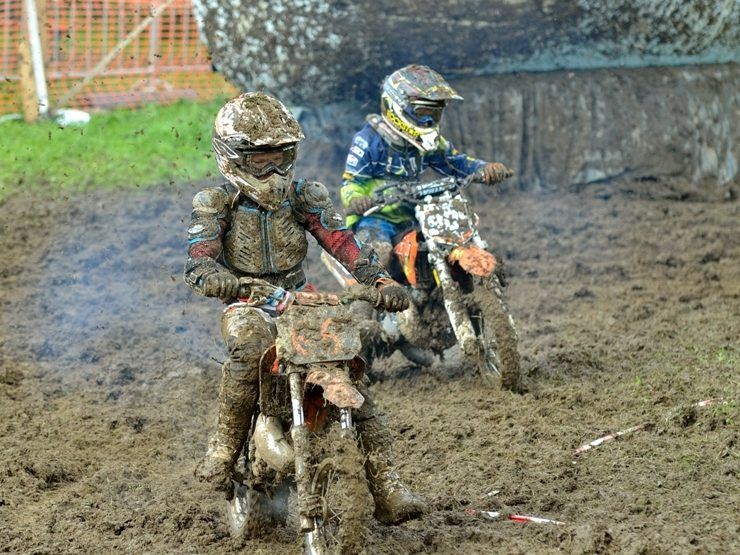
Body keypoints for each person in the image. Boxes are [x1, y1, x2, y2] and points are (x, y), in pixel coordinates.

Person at [183, 92, 425, 525]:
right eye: (260, 160)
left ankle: (387, 482)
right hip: (247, 300)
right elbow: (198, 258)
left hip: (300, 296)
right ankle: (221, 450)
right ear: (233, 158)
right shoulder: (216, 204)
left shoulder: (304, 197)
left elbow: (340, 241)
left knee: (348, 366)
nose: (273, 169)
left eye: (281, 157)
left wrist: (379, 279)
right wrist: (213, 275)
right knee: (248, 350)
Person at [339, 64, 514, 364]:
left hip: (415, 211)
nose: (430, 120)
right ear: (398, 107)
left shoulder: (427, 141)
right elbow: (351, 182)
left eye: (435, 113)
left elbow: (455, 162)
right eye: (423, 112)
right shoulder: (370, 139)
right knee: (377, 253)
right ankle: (358, 327)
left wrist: (482, 169)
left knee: (442, 243)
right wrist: (358, 199)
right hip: (376, 217)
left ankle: (429, 304)